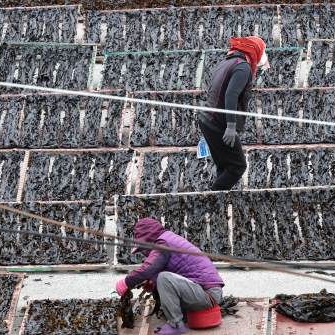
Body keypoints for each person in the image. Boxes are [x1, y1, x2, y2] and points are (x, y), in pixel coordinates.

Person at [115, 218, 224, 335]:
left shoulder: (163, 243)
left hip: (207, 294)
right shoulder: (167, 239)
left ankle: (176, 325)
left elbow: (149, 268)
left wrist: (126, 282)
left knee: (164, 278)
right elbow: (172, 268)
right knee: (162, 278)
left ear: (148, 238)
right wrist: (153, 283)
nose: (144, 252)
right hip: (205, 291)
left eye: (143, 247)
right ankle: (183, 316)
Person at [198, 36, 270, 191]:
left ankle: (218, 205)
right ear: (253, 51)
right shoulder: (243, 67)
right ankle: (210, 200)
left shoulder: (227, 62)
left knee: (224, 166)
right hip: (218, 123)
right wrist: (231, 127)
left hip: (207, 119)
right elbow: (231, 95)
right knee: (237, 166)